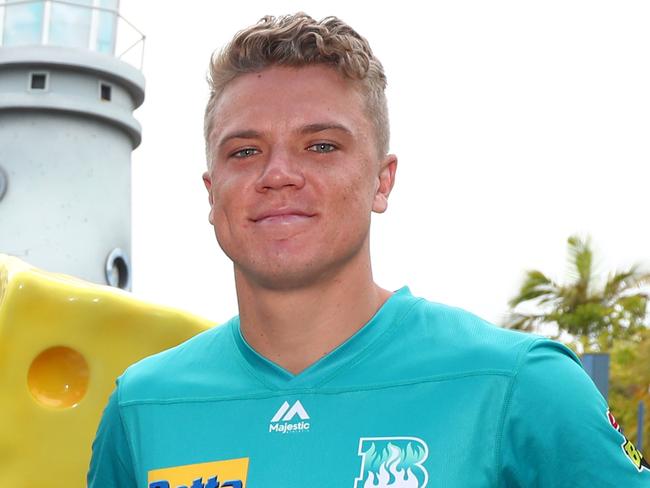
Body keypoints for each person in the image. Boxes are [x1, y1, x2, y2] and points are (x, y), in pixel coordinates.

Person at [88, 13, 649, 487]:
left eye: (322, 145)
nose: (278, 173)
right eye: (244, 151)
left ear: (382, 181)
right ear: (213, 194)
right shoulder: (142, 406)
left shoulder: (520, 384)